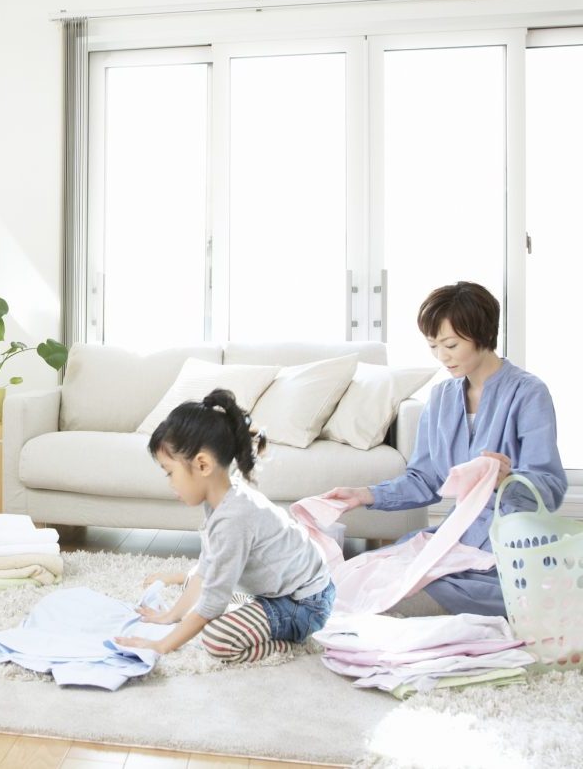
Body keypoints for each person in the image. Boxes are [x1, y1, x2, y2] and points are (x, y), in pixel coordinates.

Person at [321, 281, 567, 617]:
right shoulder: (441, 398)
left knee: (397, 598)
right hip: (456, 536)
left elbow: (549, 490)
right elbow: (425, 479)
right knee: (362, 576)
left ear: (482, 334)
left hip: (508, 546)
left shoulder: (528, 394)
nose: (442, 356)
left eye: (451, 344)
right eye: (434, 345)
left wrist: (506, 479)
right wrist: (366, 495)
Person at [115, 389, 335, 661]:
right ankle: (249, 610)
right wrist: (172, 615)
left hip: (304, 604)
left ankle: (286, 646)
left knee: (216, 638)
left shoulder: (235, 517)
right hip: (278, 592)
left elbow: (212, 604)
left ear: (203, 465)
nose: (170, 484)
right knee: (198, 589)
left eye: (170, 473)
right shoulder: (219, 502)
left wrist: (161, 646)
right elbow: (208, 567)